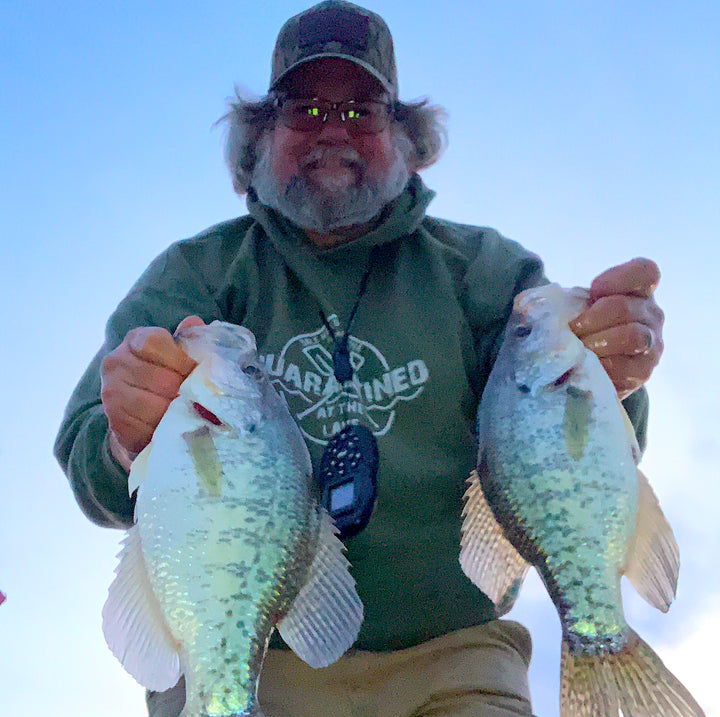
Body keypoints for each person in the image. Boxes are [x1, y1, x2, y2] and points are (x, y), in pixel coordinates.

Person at [54, 2, 664, 715]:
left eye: (362, 110)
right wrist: (126, 437)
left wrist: (614, 371)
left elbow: (566, 446)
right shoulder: (198, 275)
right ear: (258, 137)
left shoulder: (486, 270)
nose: (331, 132)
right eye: (303, 108)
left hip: (455, 651)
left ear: (408, 139)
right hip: (246, 655)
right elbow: (89, 458)